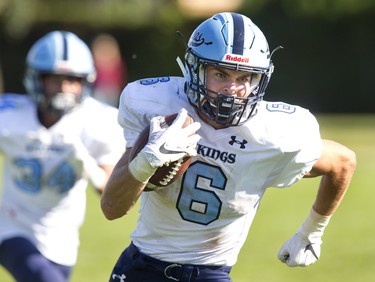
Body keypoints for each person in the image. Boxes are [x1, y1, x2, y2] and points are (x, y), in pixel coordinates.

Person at [101, 12, 356, 282]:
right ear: (196, 70)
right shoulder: (159, 109)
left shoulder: (272, 135)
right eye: (220, 74)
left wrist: (311, 232)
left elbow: (342, 162)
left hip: (212, 273)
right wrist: (146, 161)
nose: (232, 89)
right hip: (144, 267)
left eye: (244, 78)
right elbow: (111, 208)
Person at [0, 31, 124, 282]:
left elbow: (112, 192)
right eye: (55, 80)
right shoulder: (11, 115)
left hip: (62, 238)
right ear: (37, 79)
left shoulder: (98, 121)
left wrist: (86, 164)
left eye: (72, 80)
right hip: (13, 227)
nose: (64, 89)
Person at [91, 33, 128, 107]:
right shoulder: (96, 61)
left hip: (111, 89)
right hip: (101, 89)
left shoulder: (115, 61)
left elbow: (120, 76)